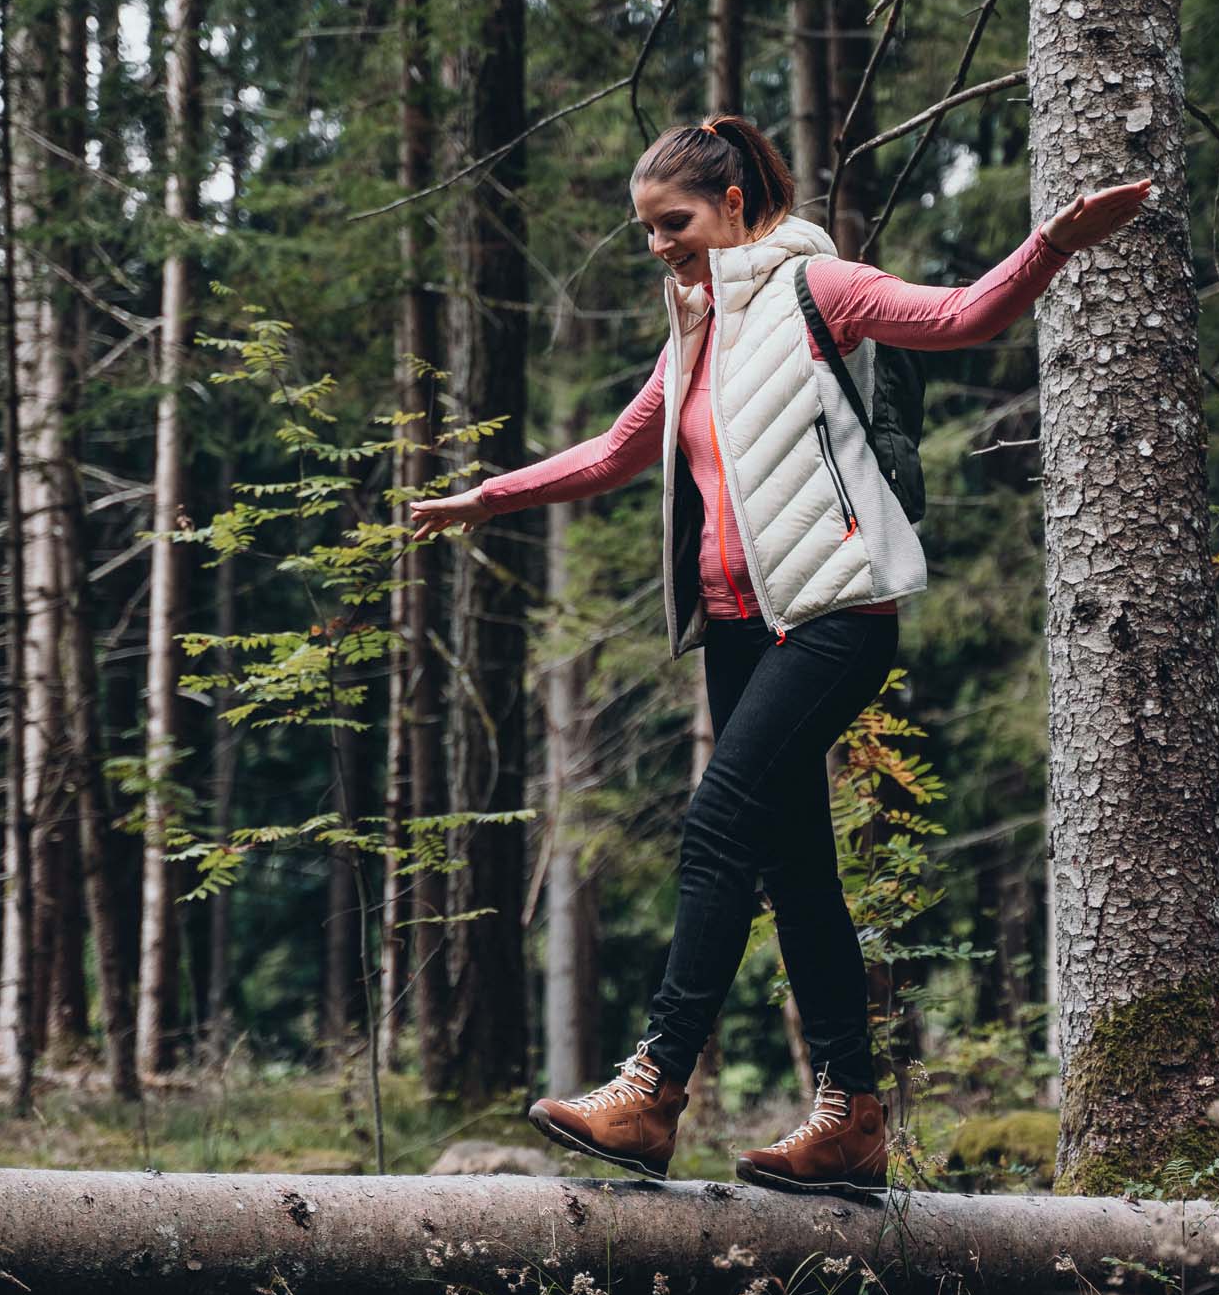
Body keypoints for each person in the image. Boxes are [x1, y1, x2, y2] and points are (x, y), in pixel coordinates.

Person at [407, 114, 1151, 1197]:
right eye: (646, 229)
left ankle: (653, 1088)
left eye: (674, 222)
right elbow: (617, 451)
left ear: (734, 205)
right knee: (796, 875)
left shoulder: (820, 287)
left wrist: (1055, 241)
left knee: (717, 827)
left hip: (834, 615)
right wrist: (488, 496)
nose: (658, 245)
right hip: (739, 632)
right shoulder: (696, 331)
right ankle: (851, 1120)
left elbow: (959, 316)